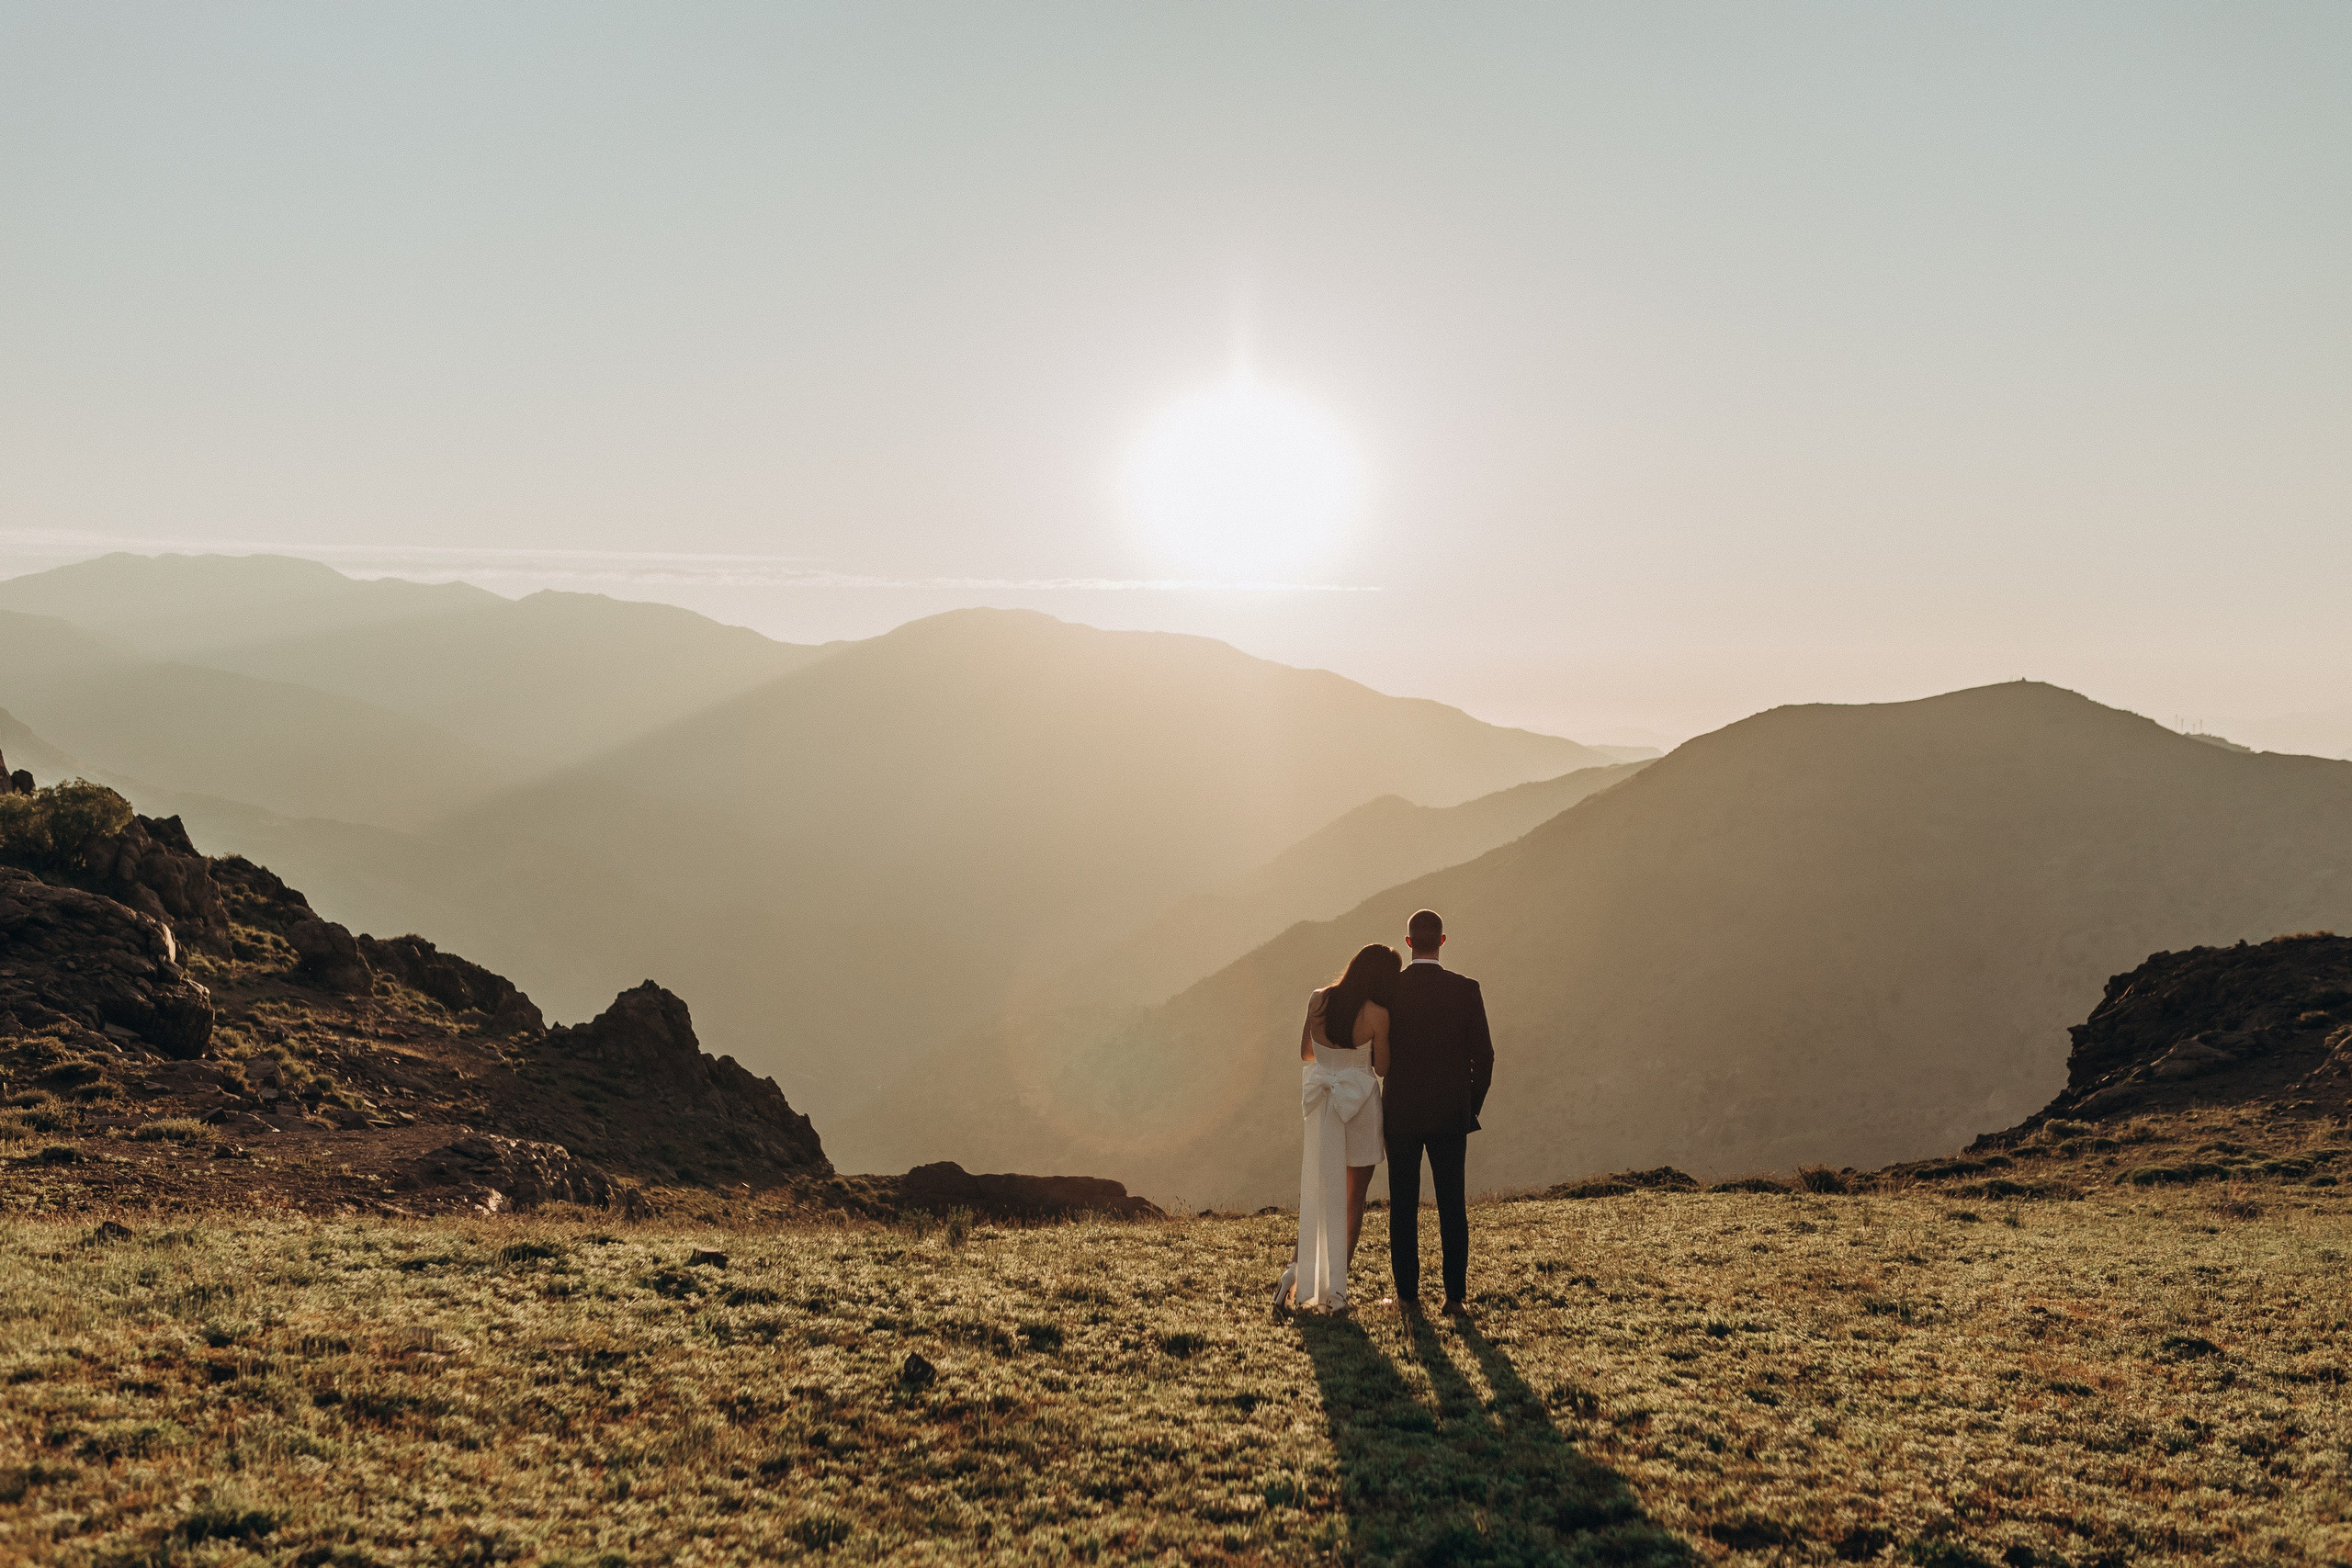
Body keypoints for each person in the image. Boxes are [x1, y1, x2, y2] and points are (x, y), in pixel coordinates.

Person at [1274, 942, 1398, 1314]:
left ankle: (1292, 1276)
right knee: (1351, 1200)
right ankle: (1338, 1293)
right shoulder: (1378, 1014)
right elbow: (1383, 1068)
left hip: (1323, 1107)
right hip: (1358, 1109)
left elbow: (1305, 1053)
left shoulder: (1318, 1000)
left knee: (1315, 1193)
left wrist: (1332, 1063)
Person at [1381, 908, 1493, 1316]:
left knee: (1403, 1206)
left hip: (1400, 1115)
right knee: (1452, 1205)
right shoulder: (1467, 990)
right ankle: (1455, 1298)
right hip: (1451, 1114)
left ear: (1409, 943)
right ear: (1442, 941)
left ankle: (1408, 1299)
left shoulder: (1389, 991)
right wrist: (1468, 1106)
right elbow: (1486, 1057)